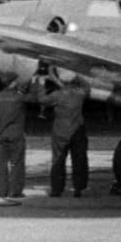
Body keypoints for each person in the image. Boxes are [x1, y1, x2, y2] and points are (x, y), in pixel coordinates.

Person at [37, 67, 91, 197]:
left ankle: (57, 190)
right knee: (79, 160)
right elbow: (87, 86)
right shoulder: (80, 93)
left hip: (60, 131)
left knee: (58, 161)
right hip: (77, 130)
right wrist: (76, 75)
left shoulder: (58, 95)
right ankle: (78, 188)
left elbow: (41, 99)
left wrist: (40, 84)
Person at [0, 75, 31, 198]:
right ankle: (15, 191)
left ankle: (1, 191)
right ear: (12, 83)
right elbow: (36, 99)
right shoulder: (19, 97)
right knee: (17, 165)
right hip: (16, 135)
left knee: (1, 166)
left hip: (0, 135)